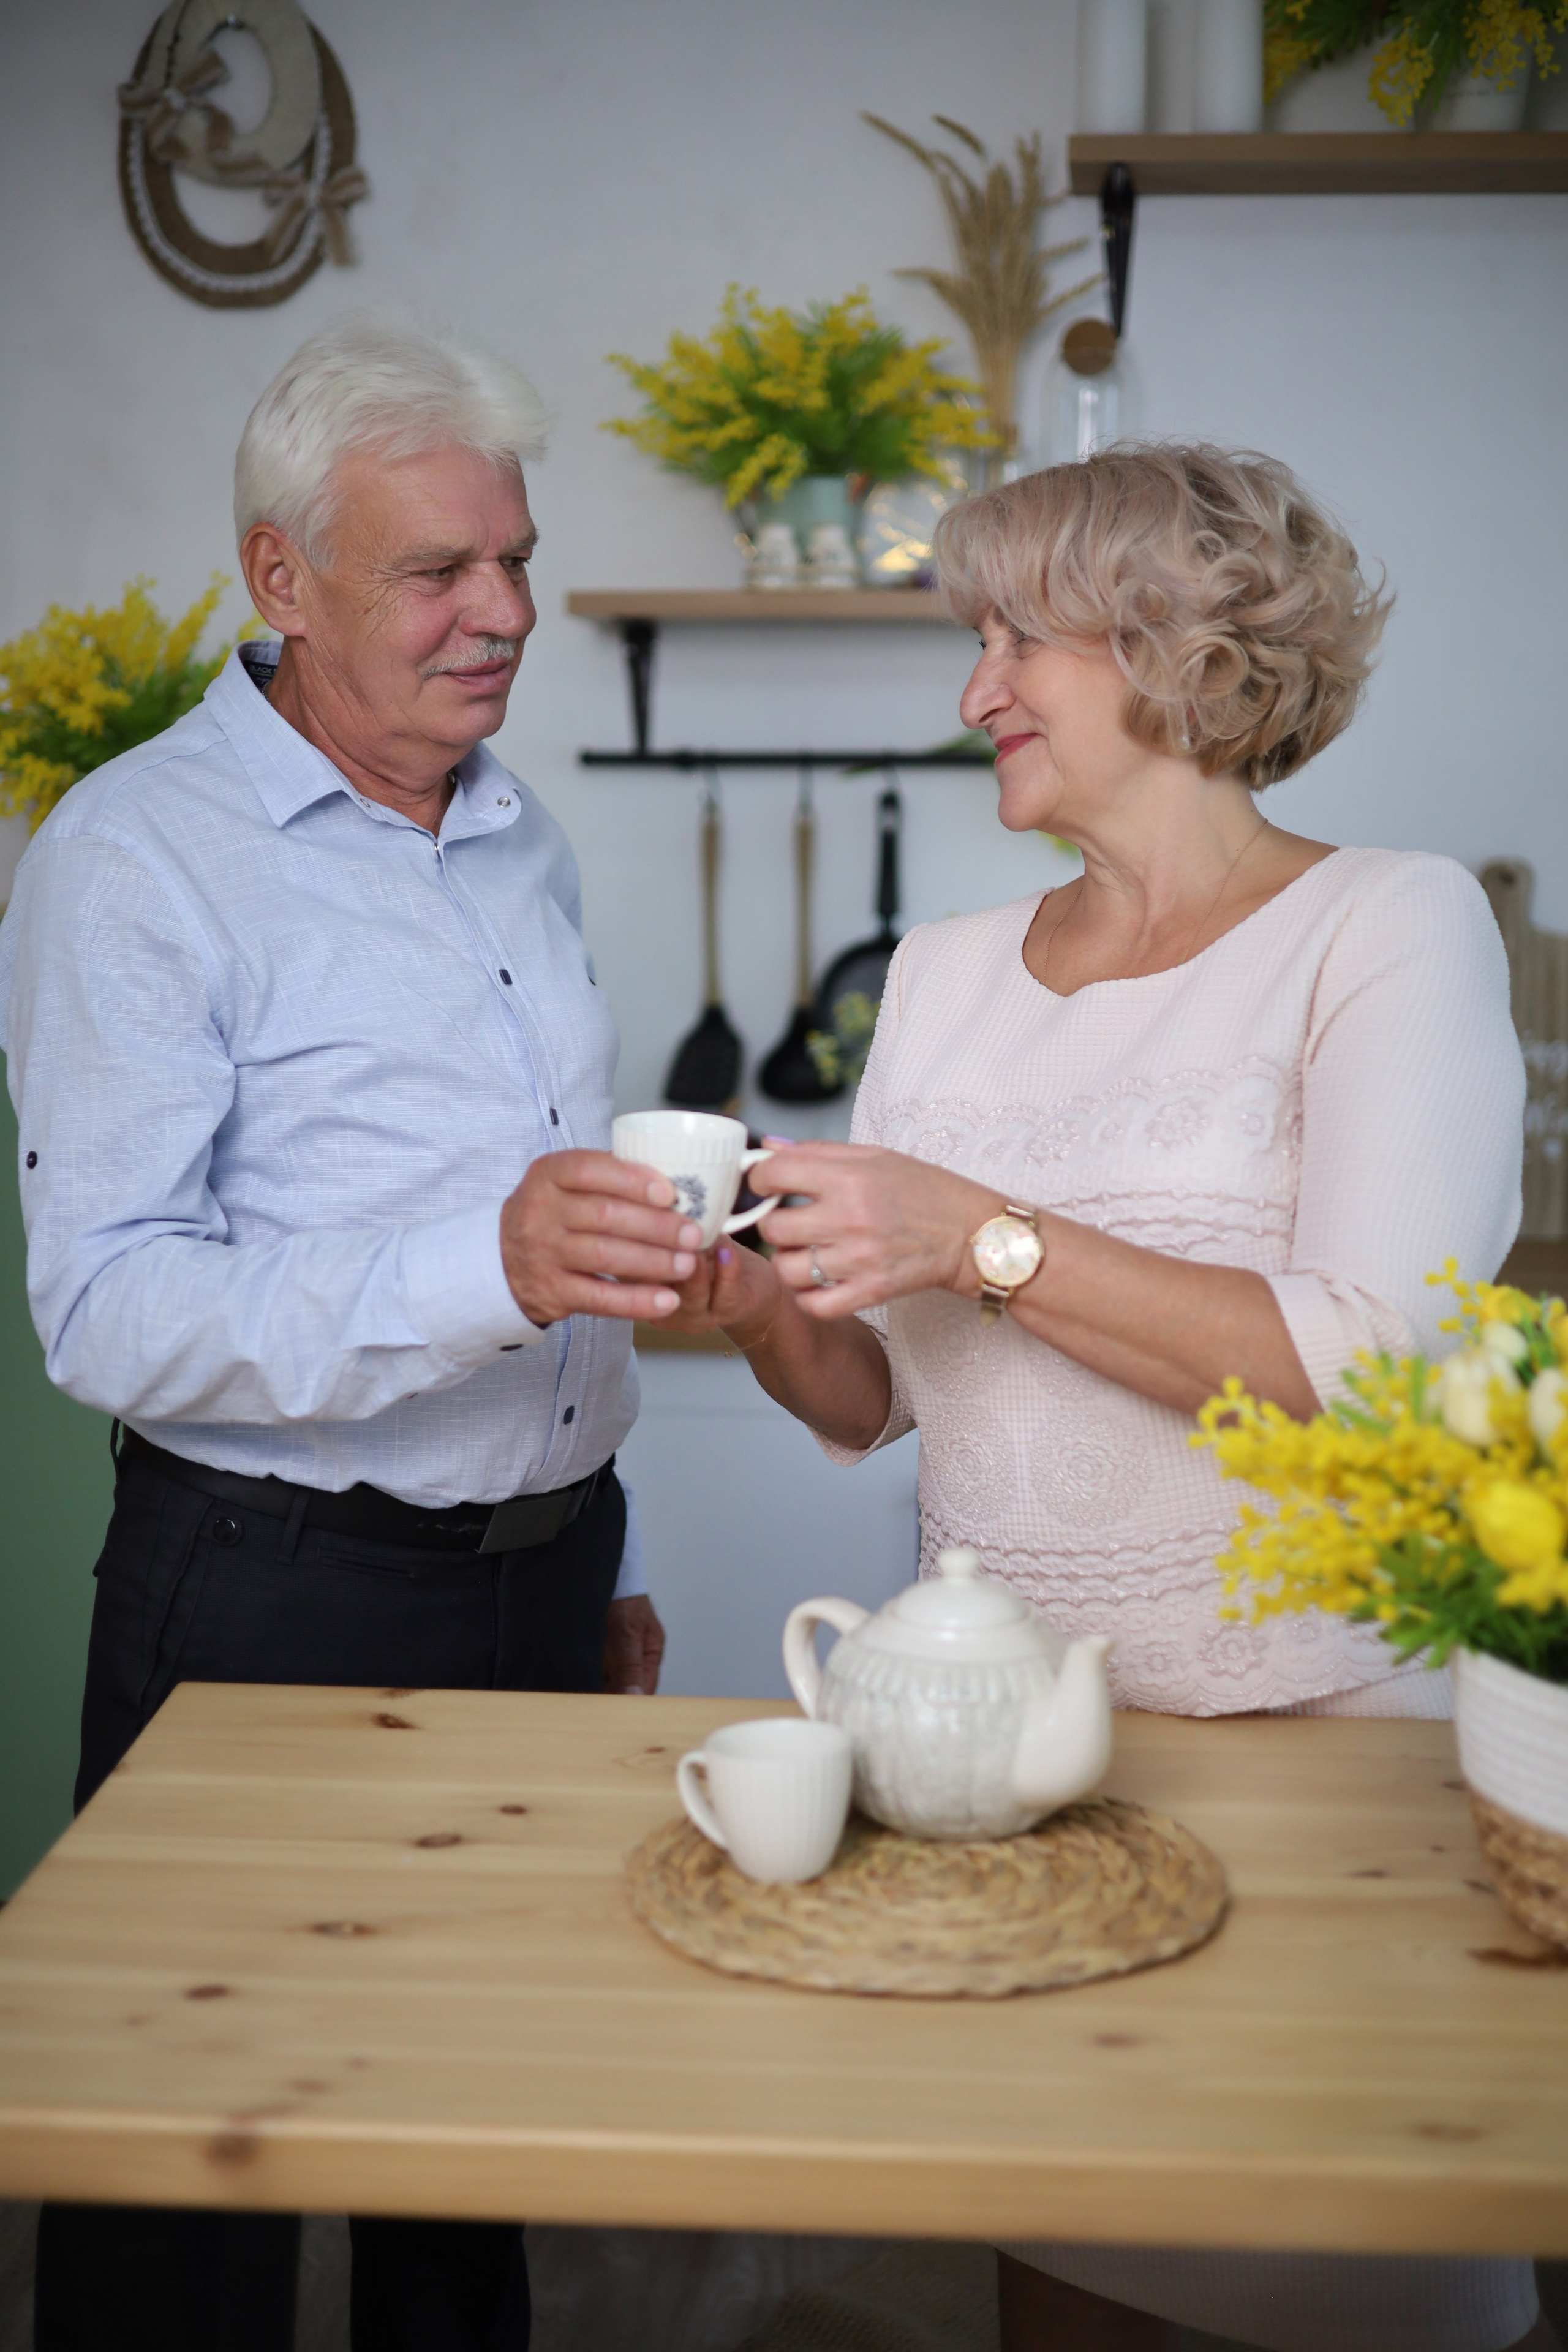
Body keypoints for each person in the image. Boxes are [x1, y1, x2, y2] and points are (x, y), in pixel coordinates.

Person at [665, 445, 1550, 2352]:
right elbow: (874, 1393)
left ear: (1178, 653)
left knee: (1351, 2274)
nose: (974, 691)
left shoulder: (1386, 927)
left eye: (1017, 640)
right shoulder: (943, 970)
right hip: (1005, 1772)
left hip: (1323, 1763)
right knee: (1066, 2286)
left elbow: (1364, 1370)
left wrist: (984, 1230)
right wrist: (748, 1301)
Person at [0, 315, 712, 2352]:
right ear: (280, 579)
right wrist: (477, 1267)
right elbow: (109, 1304)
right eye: (438, 573)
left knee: (459, 2146)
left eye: (518, 560)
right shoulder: (130, 860)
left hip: (536, 1588)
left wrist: (599, 1553)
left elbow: (567, 1234)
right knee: (186, 2194)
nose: (502, 615)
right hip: (270, 1592)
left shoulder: (516, 829)